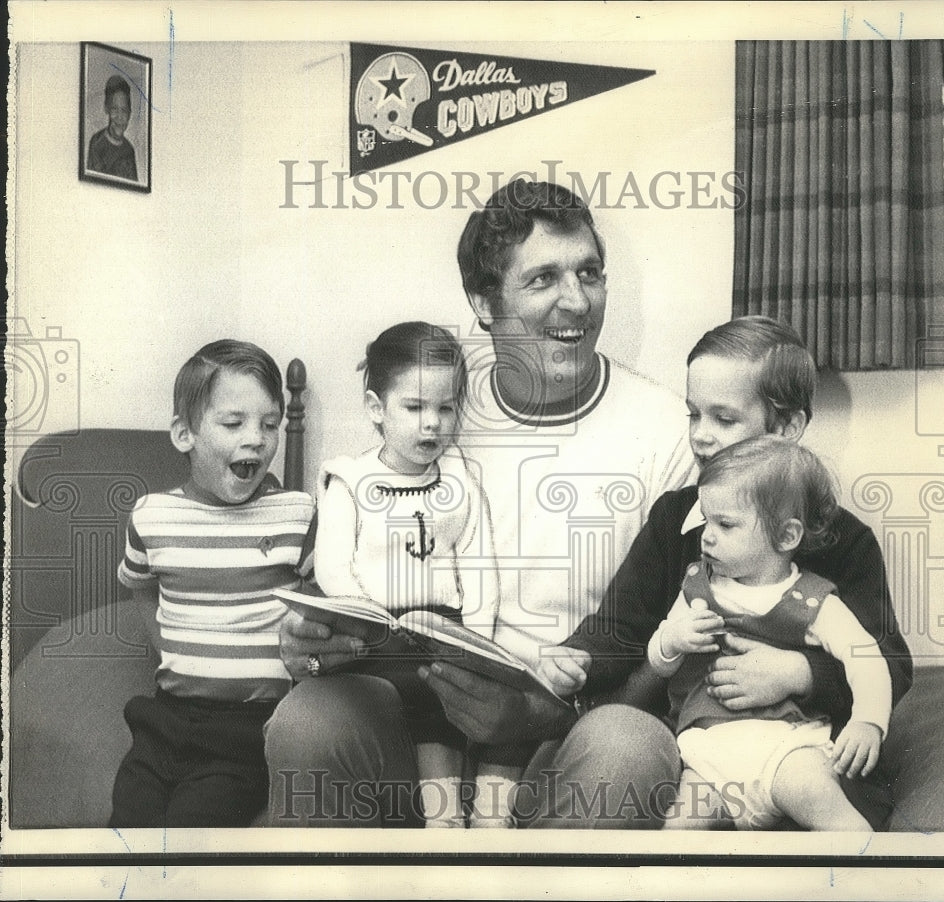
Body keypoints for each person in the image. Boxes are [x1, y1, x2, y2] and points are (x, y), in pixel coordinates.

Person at [264, 179, 697, 827]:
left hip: (562, 736)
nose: (576, 301)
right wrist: (309, 642)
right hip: (419, 725)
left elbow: (681, 637)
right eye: (543, 279)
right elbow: (340, 562)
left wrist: (549, 712)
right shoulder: (435, 409)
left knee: (628, 748)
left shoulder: (666, 430)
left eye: (589, 273)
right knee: (309, 720)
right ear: (482, 302)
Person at [550, 316, 913, 830]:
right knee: (635, 774)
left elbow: (889, 662)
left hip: (800, 751)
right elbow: (621, 625)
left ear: (787, 428)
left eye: (723, 419)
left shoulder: (843, 540)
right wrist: (579, 655)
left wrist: (798, 673)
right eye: (694, 414)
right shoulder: (673, 518)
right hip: (698, 745)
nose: (700, 436)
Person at [311, 321, 518, 828]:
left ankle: (446, 818)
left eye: (446, 408)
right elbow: (333, 566)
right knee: (387, 694)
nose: (433, 425)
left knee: (444, 696)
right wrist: (370, 623)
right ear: (376, 409)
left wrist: (477, 643)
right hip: (374, 630)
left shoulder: (460, 481)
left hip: (443, 628)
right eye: (415, 408)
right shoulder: (351, 481)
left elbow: (478, 565)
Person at [109, 340, 314, 827]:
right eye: (233, 423)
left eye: (270, 425)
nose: (258, 439)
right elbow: (139, 585)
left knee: (192, 830)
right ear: (185, 434)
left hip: (247, 730)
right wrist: (166, 647)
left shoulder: (297, 515)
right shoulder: (153, 516)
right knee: (127, 824)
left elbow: (324, 602)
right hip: (165, 717)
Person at [87, 74, 138, 180]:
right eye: (115, 109)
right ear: (107, 109)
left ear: (129, 114)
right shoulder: (97, 143)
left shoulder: (129, 150)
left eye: (124, 111)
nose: (119, 117)